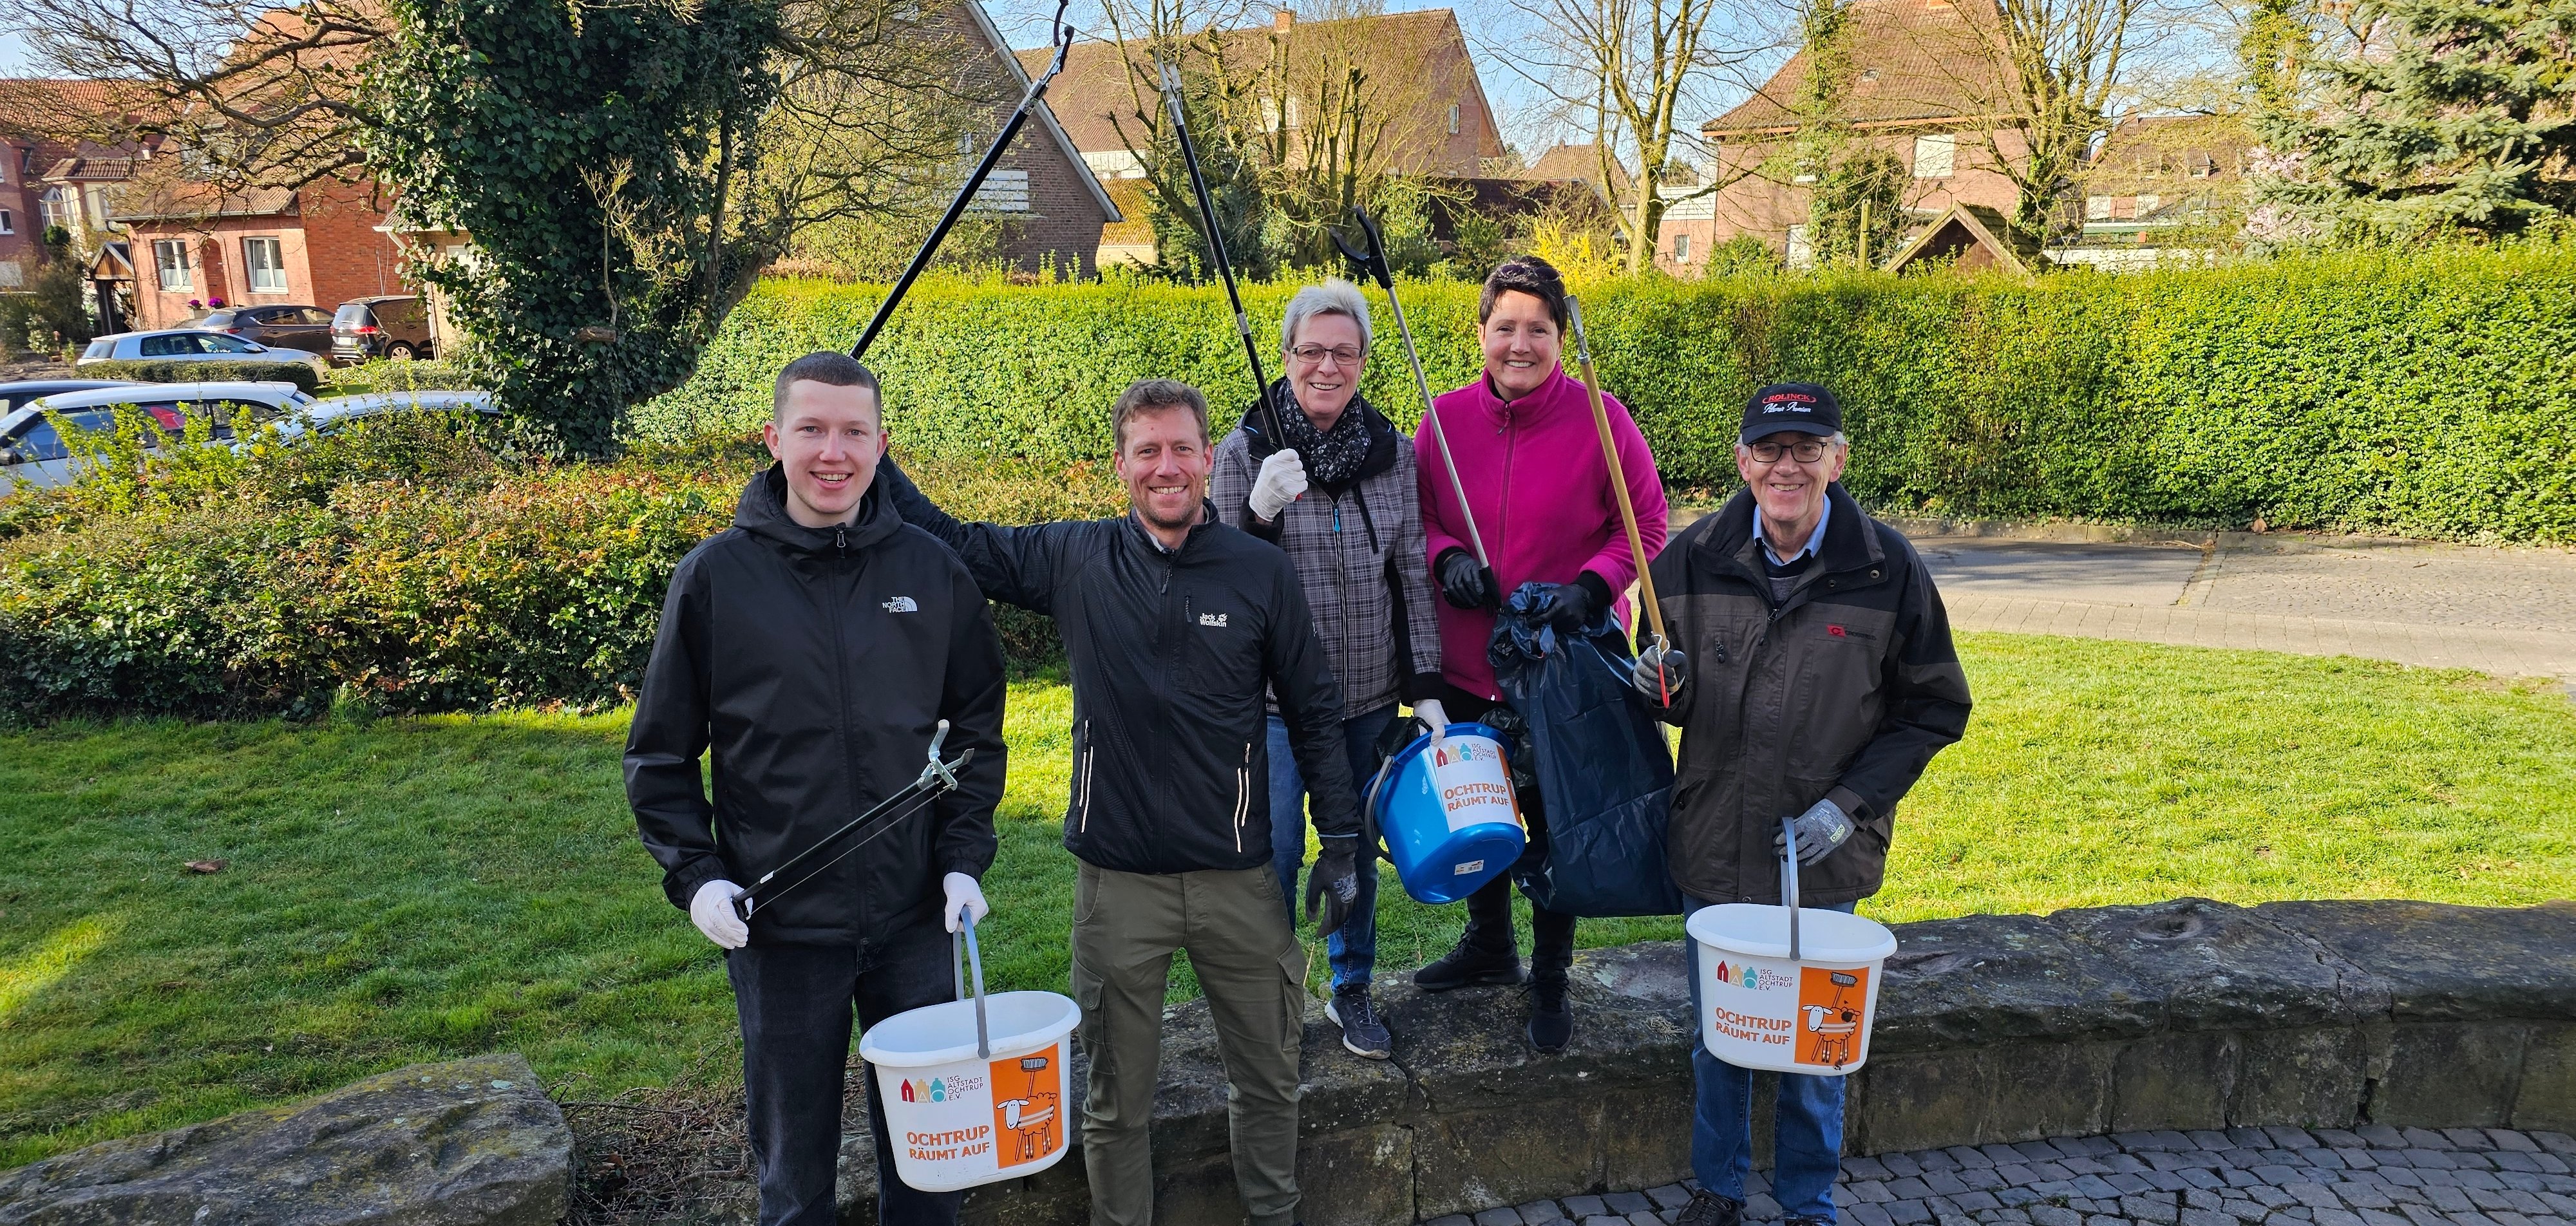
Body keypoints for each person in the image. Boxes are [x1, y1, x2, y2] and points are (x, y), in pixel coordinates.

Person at [875, 378, 1358, 1226]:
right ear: (1121, 464)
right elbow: (953, 541)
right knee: (1113, 1100)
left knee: (1270, 1080)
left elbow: (1316, 713)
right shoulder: (1076, 558)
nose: (1166, 467)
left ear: (1210, 459)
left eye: (1182, 449)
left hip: (1238, 880)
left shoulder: (1260, 572)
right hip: (1118, 884)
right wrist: (871, 452)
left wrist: (1343, 844)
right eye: (1148, 451)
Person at [625, 352, 1010, 1226]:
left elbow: (979, 730)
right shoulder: (717, 578)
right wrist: (697, 878)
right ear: (774, 438)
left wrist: (960, 859)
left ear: (882, 447)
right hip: (782, 929)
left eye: (853, 432)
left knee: (932, 1166)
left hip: (917, 922)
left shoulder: (932, 572)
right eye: (811, 430)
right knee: (794, 1179)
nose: (831, 453)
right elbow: (659, 756)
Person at [1630, 383, 1973, 1226]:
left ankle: (1808, 1201)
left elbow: (1935, 709)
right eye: (1770, 450)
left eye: (1806, 448)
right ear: (1743, 462)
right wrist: (1652, 684)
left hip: (1823, 857)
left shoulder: (1888, 571)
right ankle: (1719, 1188)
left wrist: (1847, 806)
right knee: (1722, 1038)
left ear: (1837, 460)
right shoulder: (1685, 560)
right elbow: (1669, 689)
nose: (1787, 466)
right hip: (1713, 842)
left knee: (1814, 1048)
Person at [1410, 254, 1669, 1053]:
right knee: (1480, 812)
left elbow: (1646, 524)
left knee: (1557, 818)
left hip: (1565, 664)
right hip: (1465, 661)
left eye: (1537, 329)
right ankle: (1490, 942)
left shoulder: (1603, 418)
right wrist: (1444, 553)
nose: (1519, 343)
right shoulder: (1440, 419)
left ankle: (1550, 974)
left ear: (1560, 337)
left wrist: (1594, 586)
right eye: (1504, 327)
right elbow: (1412, 516)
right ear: (1480, 333)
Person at [1209, 278, 1446, 1062]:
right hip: (1274, 704)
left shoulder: (1393, 454)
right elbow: (1216, 578)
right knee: (1272, 857)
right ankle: (1272, 996)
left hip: (1369, 699)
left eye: (1343, 352)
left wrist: (1428, 689)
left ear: (1362, 362)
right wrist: (1257, 514)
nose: (1325, 365)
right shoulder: (1246, 452)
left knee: (1355, 855)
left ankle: (1352, 987)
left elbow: (1410, 572)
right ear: (1285, 356)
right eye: (1310, 350)